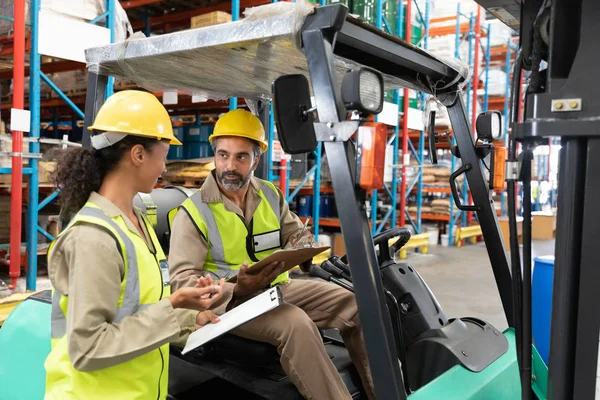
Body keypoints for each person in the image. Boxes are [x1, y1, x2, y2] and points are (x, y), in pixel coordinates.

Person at [168, 109, 376, 400]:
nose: (230, 165)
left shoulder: (269, 194)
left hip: (275, 289)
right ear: (214, 155)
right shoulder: (193, 213)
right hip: (227, 305)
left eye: (241, 157)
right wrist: (235, 288)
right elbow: (183, 284)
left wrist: (303, 245)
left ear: (257, 158)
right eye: (223, 155)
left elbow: (295, 234)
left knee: (356, 304)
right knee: (295, 323)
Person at [44, 90, 225, 400]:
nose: (165, 167)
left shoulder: (138, 219)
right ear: (138, 154)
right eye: (163, 154)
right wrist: (172, 306)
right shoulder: (95, 239)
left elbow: (133, 312)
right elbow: (88, 348)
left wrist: (187, 319)